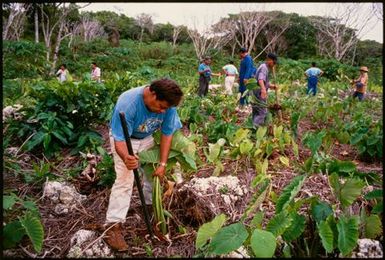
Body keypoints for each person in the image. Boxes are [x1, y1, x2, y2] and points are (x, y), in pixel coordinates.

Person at [104, 78, 183, 251]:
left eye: (166, 109)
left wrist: (162, 163)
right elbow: (118, 140)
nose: (163, 112)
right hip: (126, 140)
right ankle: (113, 227)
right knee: (125, 181)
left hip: (147, 138)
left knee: (151, 175)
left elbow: (167, 133)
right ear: (152, 94)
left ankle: (147, 207)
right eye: (161, 107)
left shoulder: (168, 105)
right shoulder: (128, 103)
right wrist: (126, 157)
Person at [251, 53, 278, 127]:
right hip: (259, 93)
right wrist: (263, 90)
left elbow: (264, 81)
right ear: (269, 60)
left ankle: (252, 128)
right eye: (274, 63)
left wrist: (272, 86)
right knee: (262, 112)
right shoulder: (264, 68)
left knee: (256, 111)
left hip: (255, 92)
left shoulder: (264, 67)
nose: (274, 65)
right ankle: (255, 127)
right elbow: (260, 79)